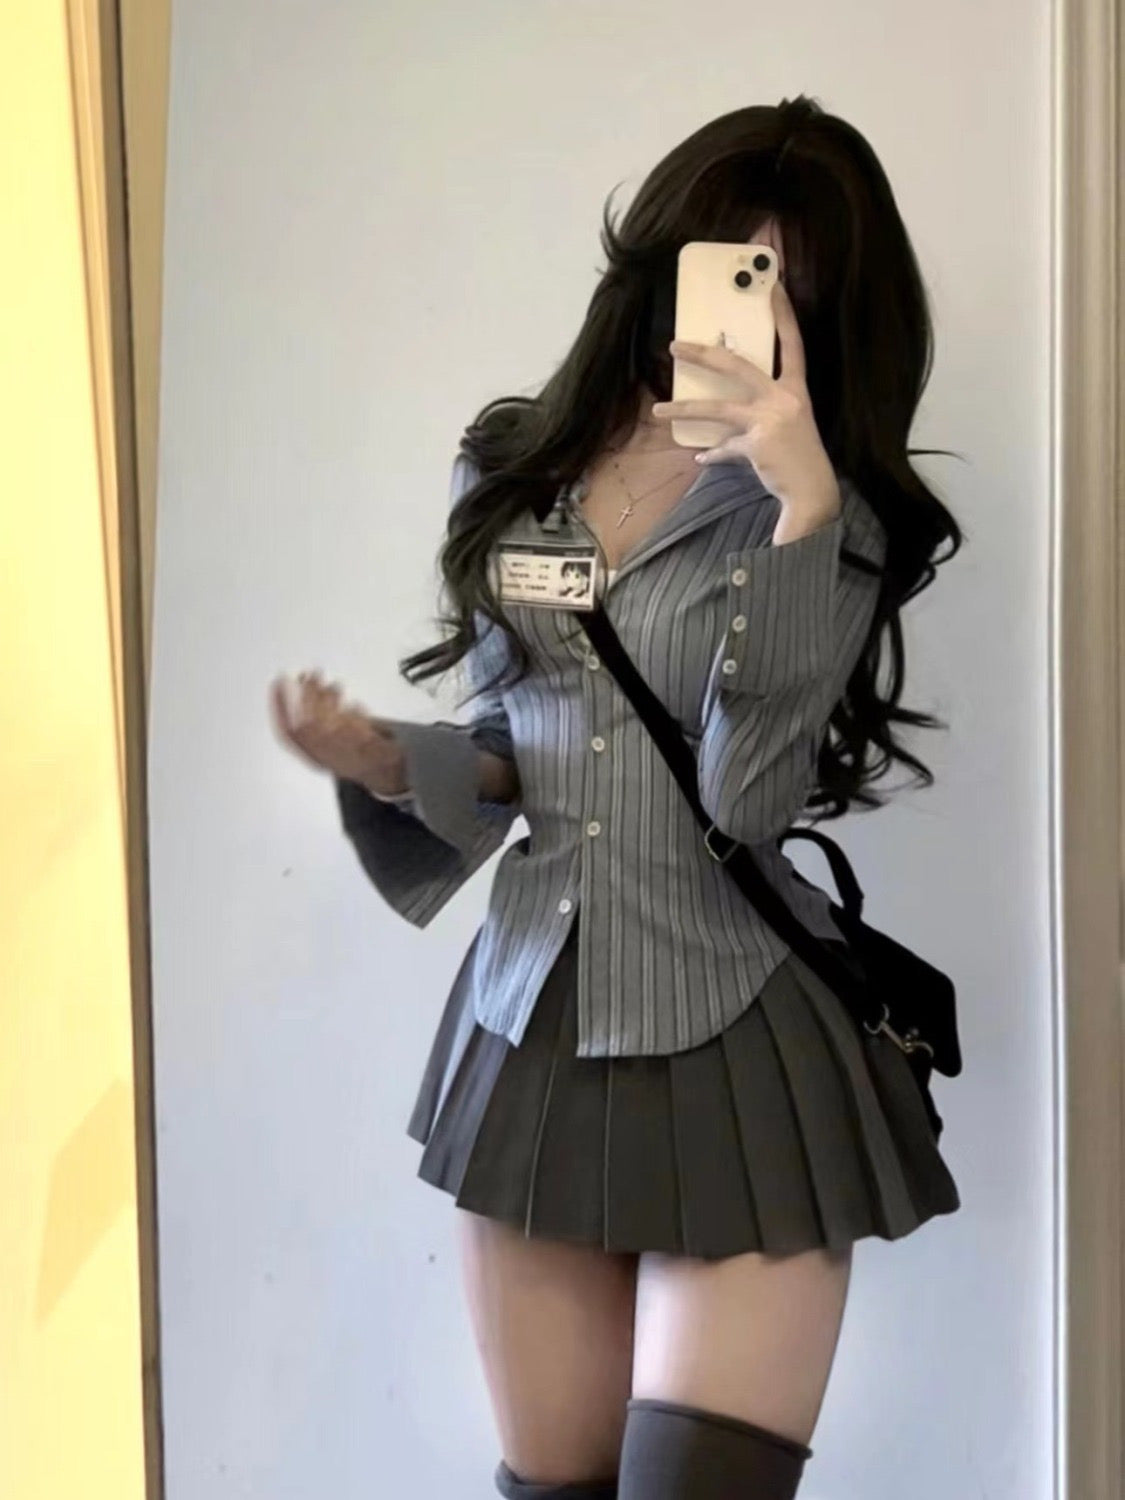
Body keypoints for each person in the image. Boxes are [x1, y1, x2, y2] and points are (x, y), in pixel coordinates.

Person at [269, 93, 964, 1500]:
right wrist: (391, 762)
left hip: (739, 1035)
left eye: (792, 287)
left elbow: (747, 801)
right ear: (661, 257)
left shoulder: (830, 516)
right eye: (734, 265)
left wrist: (801, 516)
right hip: (528, 1022)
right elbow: (510, 744)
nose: (752, 312)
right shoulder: (511, 467)